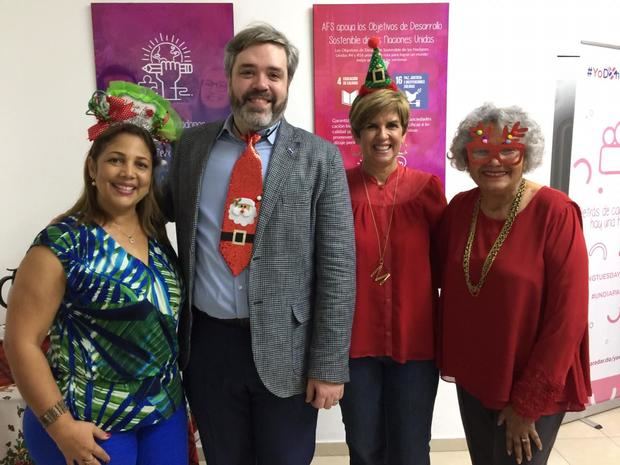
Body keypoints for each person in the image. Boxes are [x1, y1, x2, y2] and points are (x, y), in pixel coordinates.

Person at [161, 23, 356, 465]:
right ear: (231, 78)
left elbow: (338, 268)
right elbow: (150, 213)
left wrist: (328, 366)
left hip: (288, 346)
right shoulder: (191, 147)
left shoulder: (320, 157)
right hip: (208, 346)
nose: (261, 85)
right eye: (248, 72)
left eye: (274, 74)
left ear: (287, 83)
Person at [4, 82, 188, 465]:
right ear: (93, 167)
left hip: (162, 415)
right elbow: (20, 341)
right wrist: (60, 426)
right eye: (116, 160)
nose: (128, 173)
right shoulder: (61, 243)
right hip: (89, 420)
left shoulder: (156, 236)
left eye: (141, 164)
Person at [438, 103, 591, 465]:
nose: (495, 161)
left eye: (508, 150)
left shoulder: (556, 213)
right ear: (465, 157)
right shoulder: (460, 209)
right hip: (477, 377)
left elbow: (568, 318)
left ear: (526, 154)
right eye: (481, 151)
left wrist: (528, 403)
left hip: (533, 382)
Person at [339, 38, 446, 465]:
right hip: (354, 344)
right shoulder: (337, 189)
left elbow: (447, 267)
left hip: (415, 344)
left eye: (391, 125)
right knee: (364, 448)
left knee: (411, 448)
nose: (382, 136)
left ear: (403, 130)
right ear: (358, 132)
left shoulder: (427, 190)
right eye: (371, 126)